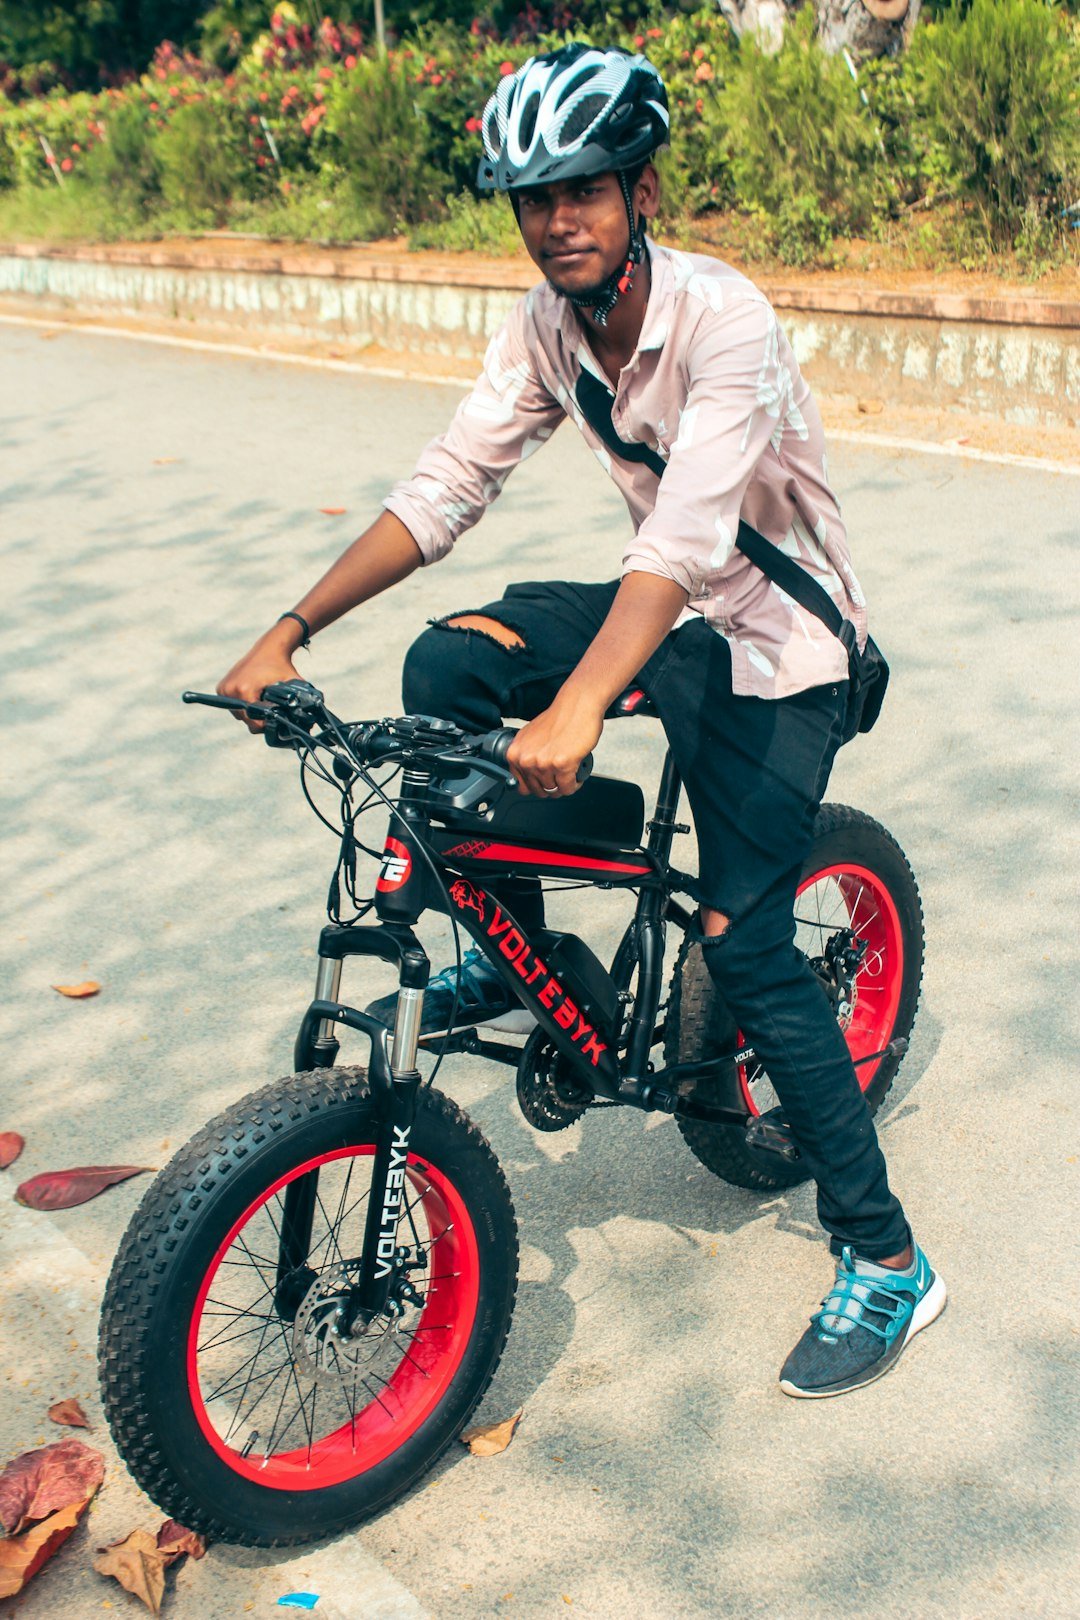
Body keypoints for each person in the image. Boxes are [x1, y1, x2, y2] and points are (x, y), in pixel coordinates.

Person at [218, 43, 945, 1398]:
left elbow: (685, 541)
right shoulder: (551, 324)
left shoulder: (724, 320)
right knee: (448, 667)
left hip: (781, 650)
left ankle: (888, 1257)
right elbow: (450, 483)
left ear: (639, 191)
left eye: (583, 192)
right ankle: (521, 956)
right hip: (666, 616)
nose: (557, 221)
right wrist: (290, 630)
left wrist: (581, 703)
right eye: (534, 199)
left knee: (747, 942)